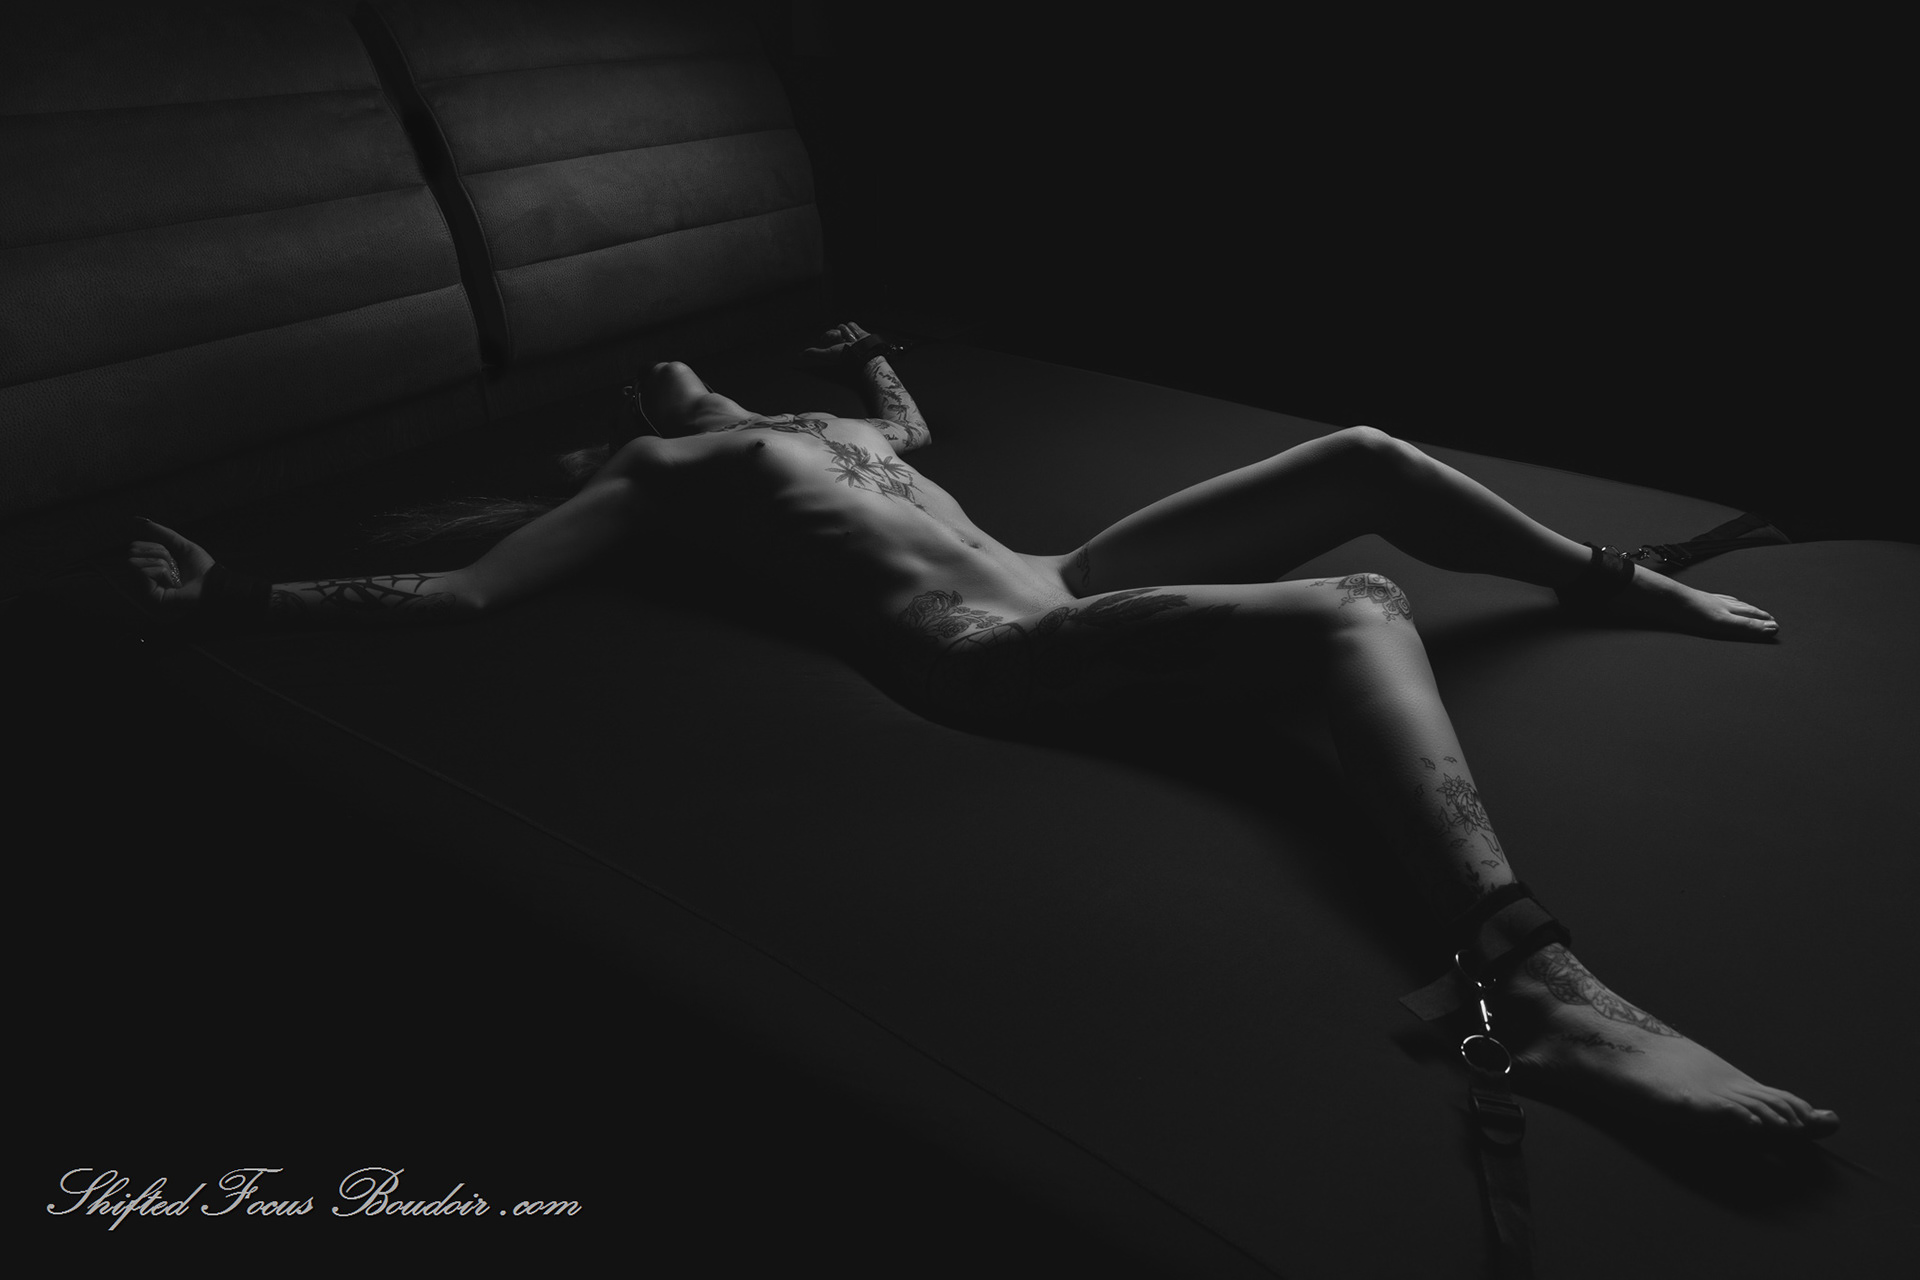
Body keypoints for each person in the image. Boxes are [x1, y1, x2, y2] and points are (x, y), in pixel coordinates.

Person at [128, 321, 1835, 1140]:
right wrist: (235, 597)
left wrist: (871, 364)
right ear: (622, 418)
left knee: (1367, 456)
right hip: (981, 650)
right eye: (637, 371)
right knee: (1354, 609)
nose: (664, 363)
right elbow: (466, 596)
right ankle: (1538, 988)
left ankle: (1608, 578)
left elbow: (907, 424)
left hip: (1061, 572)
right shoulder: (658, 476)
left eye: (679, 354)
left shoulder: (830, 426)